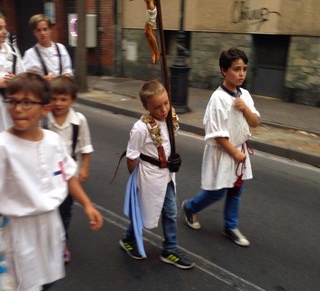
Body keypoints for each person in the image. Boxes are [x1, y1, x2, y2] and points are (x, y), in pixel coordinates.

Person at [0, 72, 103, 290]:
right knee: (23, 284)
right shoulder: (3, 146)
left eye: (27, 102)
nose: (18, 109)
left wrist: (87, 204)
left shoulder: (53, 141)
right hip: (18, 231)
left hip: (50, 227)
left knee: (48, 280)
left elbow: (67, 174)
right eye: (13, 101)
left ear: (44, 108)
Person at [182, 48, 260, 247]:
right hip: (224, 151)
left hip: (239, 151)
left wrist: (245, 109)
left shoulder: (245, 95)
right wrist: (235, 153)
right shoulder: (218, 99)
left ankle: (230, 226)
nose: (241, 73)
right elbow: (217, 135)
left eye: (244, 69)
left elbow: (254, 122)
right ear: (224, 71)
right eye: (236, 69)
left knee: (236, 190)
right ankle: (190, 207)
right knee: (217, 190)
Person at [119, 79, 194, 269]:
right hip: (149, 177)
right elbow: (131, 156)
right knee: (145, 210)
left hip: (167, 175)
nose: (164, 109)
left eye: (166, 103)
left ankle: (170, 249)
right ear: (146, 107)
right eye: (157, 107)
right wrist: (135, 180)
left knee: (170, 210)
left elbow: (167, 144)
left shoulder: (170, 118)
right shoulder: (140, 128)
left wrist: (173, 160)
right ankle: (128, 239)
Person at [46, 75, 94, 263]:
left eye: (63, 99)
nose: (58, 103)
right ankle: (47, 241)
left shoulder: (79, 120)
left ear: (72, 100)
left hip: (68, 174)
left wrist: (85, 168)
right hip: (47, 173)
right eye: (54, 98)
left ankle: (61, 242)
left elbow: (86, 148)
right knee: (49, 209)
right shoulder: (44, 119)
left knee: (65, 211)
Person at [23, 14, 73, 81]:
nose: (42, 33)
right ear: (34, 32)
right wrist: (42, 80)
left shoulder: (61, 48)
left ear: (50, 30)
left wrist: (66, 76)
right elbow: (26, 79)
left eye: (45, 29)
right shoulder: (30, 54)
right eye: (38, 30)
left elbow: (67, 70)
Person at [0, 14, 25, 131]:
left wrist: (15, 80)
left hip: (11, 104)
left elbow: (23, 76)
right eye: (0, 28)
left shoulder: (13, 51)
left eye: (5, 28)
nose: (4, 32)